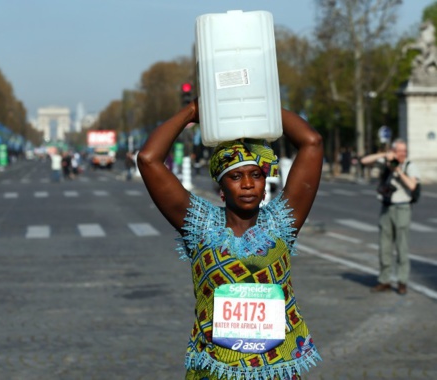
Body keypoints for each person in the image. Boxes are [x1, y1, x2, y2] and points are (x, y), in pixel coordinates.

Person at [137, 99, 323, 380]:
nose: (248, 184)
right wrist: (192, 111)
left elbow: (312, 142)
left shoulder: (281, 222)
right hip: (215, 370)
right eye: (236, 176)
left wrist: (259, 102)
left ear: (265, 185)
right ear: (221, 187)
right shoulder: (200, 225)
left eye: (256, 176)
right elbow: (149, 159)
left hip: (276, 370)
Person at [360, 139, 420, 295]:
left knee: (402, 247)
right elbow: (364, 161)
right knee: (384, 247)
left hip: (402, 208)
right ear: (393, 151)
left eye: (404, 151)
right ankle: (384, 280)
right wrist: (384, 155)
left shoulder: (409, 166)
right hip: (386, 208)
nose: (403, 154)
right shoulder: (385, 162)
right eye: (400, 151)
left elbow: (412, 186)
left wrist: (398, 170)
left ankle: (402, 282)